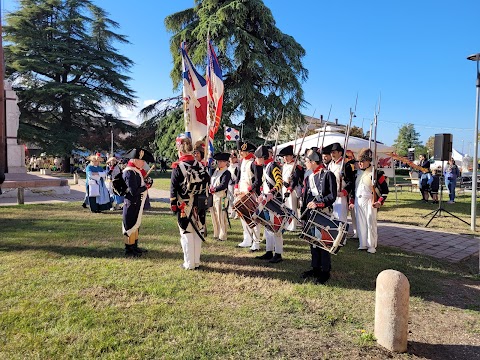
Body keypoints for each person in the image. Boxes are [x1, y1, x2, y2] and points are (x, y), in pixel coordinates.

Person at [170, 135, 210, 270]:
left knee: (186, 234)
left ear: (180, 150)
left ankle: (189, 263)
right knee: (197, 232)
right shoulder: (200, 165)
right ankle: (196, 261)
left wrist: (173, 205)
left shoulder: (178, 167)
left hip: (184, 206)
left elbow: (173, 189)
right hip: (199, 205)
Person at [300, 148, 337, 284]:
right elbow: (306, 198)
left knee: (323, 243)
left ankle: (325, 271)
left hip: (323, 212)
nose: (305, 163)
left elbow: (331, 196)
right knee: (313, 242)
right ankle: (315, 268)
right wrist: (303, 216)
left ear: (313, 162)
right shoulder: (309, 177)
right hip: (311, 213)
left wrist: (318, 204)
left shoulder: (328, 175)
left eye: (307, 161)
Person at [349, 148, 389, 254]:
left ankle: (371, 245)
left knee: (370, 223)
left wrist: (379, 201)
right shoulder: (356, 174)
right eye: (359, 162)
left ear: (368, 161)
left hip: (370, 201)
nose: (360, 164)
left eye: (362, 161)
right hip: (358, 201)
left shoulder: (376, 174)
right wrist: (352, 201)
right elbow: (354, 190)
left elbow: (385, 191)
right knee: (360, 222)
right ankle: (362, 243)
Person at [254, 145, 285, 263]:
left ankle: (278, 253)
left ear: (262, 157)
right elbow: (265, 185)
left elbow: (279, 182)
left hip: (275, 201)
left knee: (276, 228)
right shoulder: (266, 166)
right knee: (267, 227)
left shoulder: (273, 166)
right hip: (266, 201)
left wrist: (272, 193)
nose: (256, 160)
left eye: (257, 157)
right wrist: (262, 195)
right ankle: (269, 251)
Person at [122, 148, 154, 257]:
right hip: (131, 203)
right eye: (142, 160)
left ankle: (134, 246)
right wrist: (145, 186)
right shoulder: (129, 172)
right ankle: (129, 249)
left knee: (136, 225)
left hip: (137, 203)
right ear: (135, 160)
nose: (144, 163)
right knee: (130, 226)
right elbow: (133, 191)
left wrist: (146, 183)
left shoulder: (136, 171)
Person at [234, 141, 262, 251]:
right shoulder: (242, 162)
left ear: (248, 151)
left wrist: (250, 189)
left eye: (242, 151)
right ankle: (247, 239)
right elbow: (238, 177)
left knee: (254, 218)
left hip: (251, 194)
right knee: (243, 217)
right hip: (241, 193)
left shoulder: (254, 163)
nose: (240, 153)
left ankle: (256, 242)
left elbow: (258, 180)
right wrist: (236, 187)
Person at [279, 145, 304, 231]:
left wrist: (289, 189)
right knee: (286, 207)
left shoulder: (296, 166)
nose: (284, 158)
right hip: (284, 188)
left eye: (286, 156)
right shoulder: (284, 166)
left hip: (292, 190)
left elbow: (295, 180)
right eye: (283, 156)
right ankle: (287, 223)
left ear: (291, 156)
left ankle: (293, 225)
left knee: (292, 207)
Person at [209, 152, 231, 241]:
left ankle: (222, 235)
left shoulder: (227, 172)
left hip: (222, 196)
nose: (220, 163)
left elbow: (223, 185)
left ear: (226, 162)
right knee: (214, 216)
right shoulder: (216, 171)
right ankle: (216, 233)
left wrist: (214, 189)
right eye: (218, 161)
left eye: (222, 161)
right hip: (214, 196)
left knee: (221, 216)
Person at [328, 142, 349, 224]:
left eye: (334, 152)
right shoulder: (330, 165)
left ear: (340, 153)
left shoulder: (345, 166)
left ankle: (342, 235)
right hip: (331, 194)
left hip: (341, 195)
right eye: (331, 152)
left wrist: (344, 192)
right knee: (333, 216)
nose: (332, 154)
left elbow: (350, 182)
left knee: (341, 217)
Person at [227, 150, 240, 218]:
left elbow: (238, 177)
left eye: (233, 157)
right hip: (229, 185)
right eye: (230, 157)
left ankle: (237, 213)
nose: (231, 159)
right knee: (230, 199)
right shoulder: (229, 167)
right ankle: (232, 212)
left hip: (235, 185)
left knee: (236, 199)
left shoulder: (237, 167)